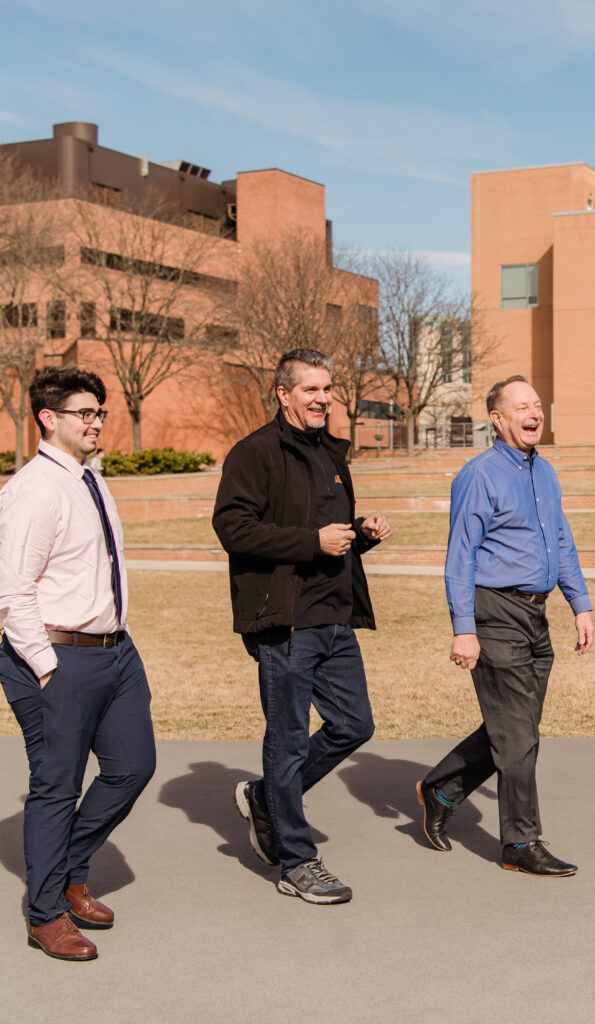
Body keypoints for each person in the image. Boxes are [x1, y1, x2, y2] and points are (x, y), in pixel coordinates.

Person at [213, 348, 391, 904]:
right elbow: (233, 528)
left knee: (353, 725)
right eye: (311, 389)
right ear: (282, 393)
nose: (322, 399)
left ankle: (267, 797)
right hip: (286, 623)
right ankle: (295, 859)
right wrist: (310, 543)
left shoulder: (329, 454)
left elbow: (325, 528)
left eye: (327, 389)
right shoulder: (255, 453)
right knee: (287, 740)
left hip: (335, 618)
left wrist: (359, 534)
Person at [0, 367, 156, 960]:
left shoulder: (90, 476)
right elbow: (12, 589)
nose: (95, 423)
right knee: (56, 787)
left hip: (114, 651)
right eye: (84, 413)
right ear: (49, 418)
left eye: (100, 413)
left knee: (133, 767)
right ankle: (45, 915)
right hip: (58, 658)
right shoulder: (34, 489)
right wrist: (45, 665)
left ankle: (68, 869)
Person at [417, 375, 593, 876]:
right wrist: (463, 627)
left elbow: (561, 541)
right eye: (522, 406)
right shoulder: (479, 475)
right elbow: (460, 557)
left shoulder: (546, 473)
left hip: (535, 614)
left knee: (516, 726)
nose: (533, 412)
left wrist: (579, 604)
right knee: (517, 733)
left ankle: (443, 788)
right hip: (493, 611)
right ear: (497, 419)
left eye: (537, 404)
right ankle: (520, 842)